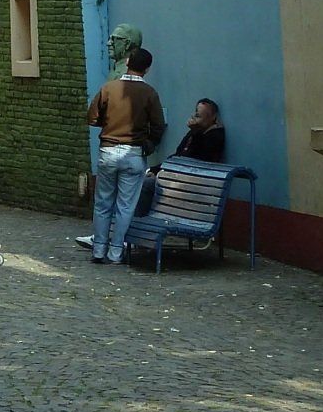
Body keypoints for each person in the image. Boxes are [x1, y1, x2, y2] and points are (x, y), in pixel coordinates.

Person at [86, 44, 165, 266]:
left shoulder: (109, 88)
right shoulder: (149, 93)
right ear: (147, 69)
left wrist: (108, 122)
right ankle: (116, 252)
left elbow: (92, 117)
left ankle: (98, 249)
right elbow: (158, 126)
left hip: (108, 150)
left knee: (103, 203)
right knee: (125, 205)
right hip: (134, 152)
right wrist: (149, 143)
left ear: (128, 62)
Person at [173, 98, 227, 163]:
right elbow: (179, 152)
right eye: (197, 115)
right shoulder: (197, 130)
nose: (196, 118)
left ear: (213, 117)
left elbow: (195, 158)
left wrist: (195, 131)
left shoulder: (215, 135)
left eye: (199, 116)